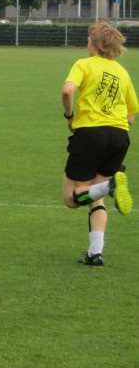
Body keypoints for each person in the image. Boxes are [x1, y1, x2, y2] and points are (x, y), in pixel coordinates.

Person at [61, 20, 136, 266]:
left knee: (72, 197)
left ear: (94, 44)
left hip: (91, 134)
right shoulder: (122, 72)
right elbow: (131, 116)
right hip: (120, 137)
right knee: (95, 197)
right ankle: (95, 253)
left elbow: (67, 90)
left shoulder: (84, 64)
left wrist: (70, 116)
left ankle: (110, 186)